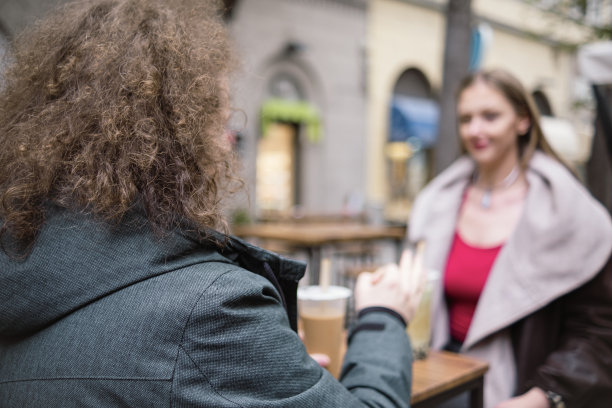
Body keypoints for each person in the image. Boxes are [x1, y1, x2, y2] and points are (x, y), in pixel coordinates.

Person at [0, 1, 422, 407]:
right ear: (181, 140)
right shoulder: (211, 313)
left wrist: (272, 377)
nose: (229, 144)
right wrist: (382, 319)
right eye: (221, 123)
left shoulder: (23, 278)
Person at [407, 68, 612, 408]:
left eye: (490, 116)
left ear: (523, 121)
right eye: (466, 119)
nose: (475, 130)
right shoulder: (436, 202)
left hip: (524, 387)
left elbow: (599, 331)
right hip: (436, 377)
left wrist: (543, 396)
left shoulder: (570, 210)